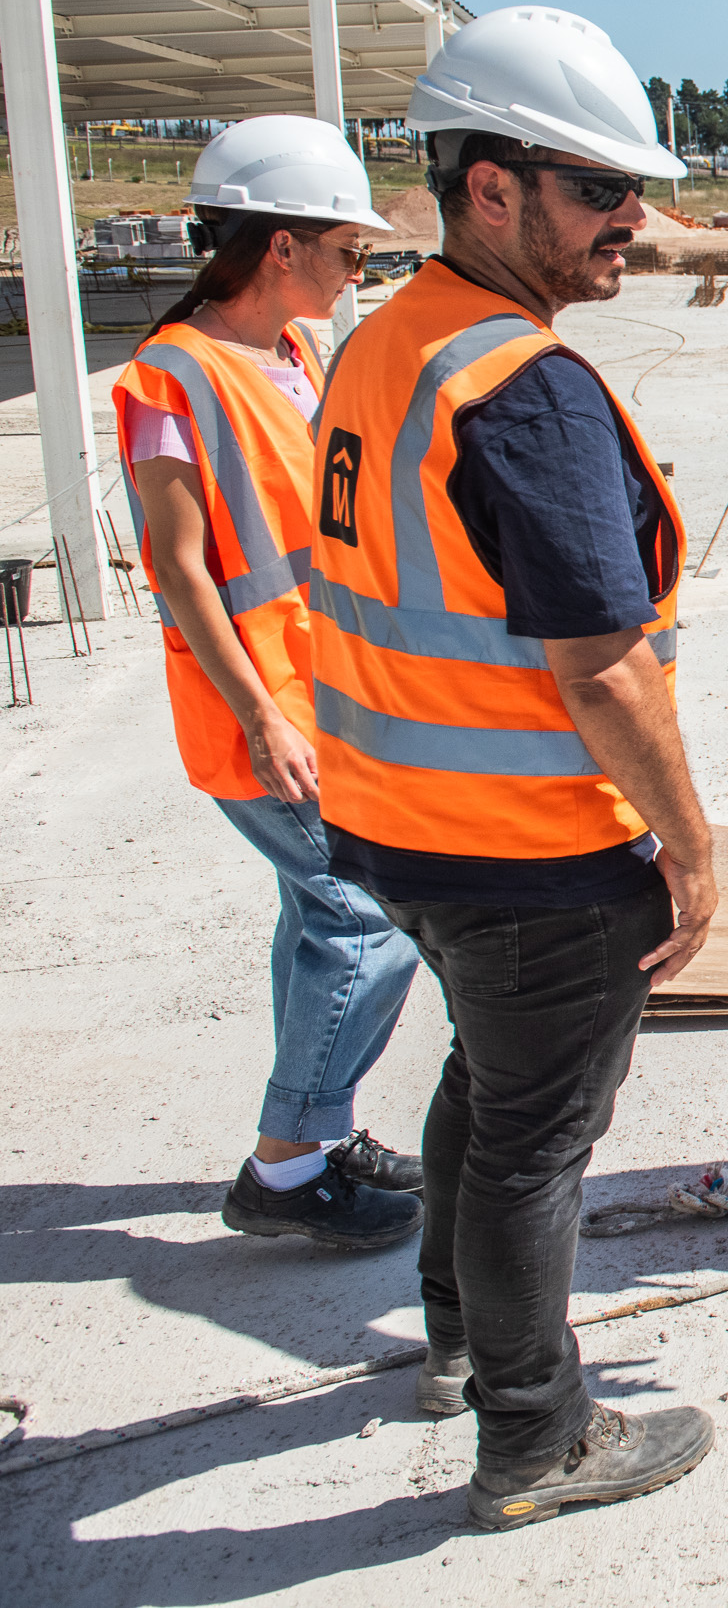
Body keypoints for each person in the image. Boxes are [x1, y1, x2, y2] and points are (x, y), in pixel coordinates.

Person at [309, 5, 718, 1530]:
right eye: (603, 189)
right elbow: (601, 664)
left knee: (484, 1084)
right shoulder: (519, 383)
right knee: (539, 1138)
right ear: (494, 187)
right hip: (527, 844)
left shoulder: (389, 336)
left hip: (398, 825)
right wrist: (689, 846)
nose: (636, 220)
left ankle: (455, 1341)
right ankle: (535, 1437)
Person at [116, 117, 427, 1251]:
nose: (360, 272)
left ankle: (316, 1130)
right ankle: (286, 1165)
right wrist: (260, 715)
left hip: (324, 690)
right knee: (363, 921)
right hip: (258, 709)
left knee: (316, 913)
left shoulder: (292, 356)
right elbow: (182, 570)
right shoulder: (170, 377)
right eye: (349, 252)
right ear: (281, 248)